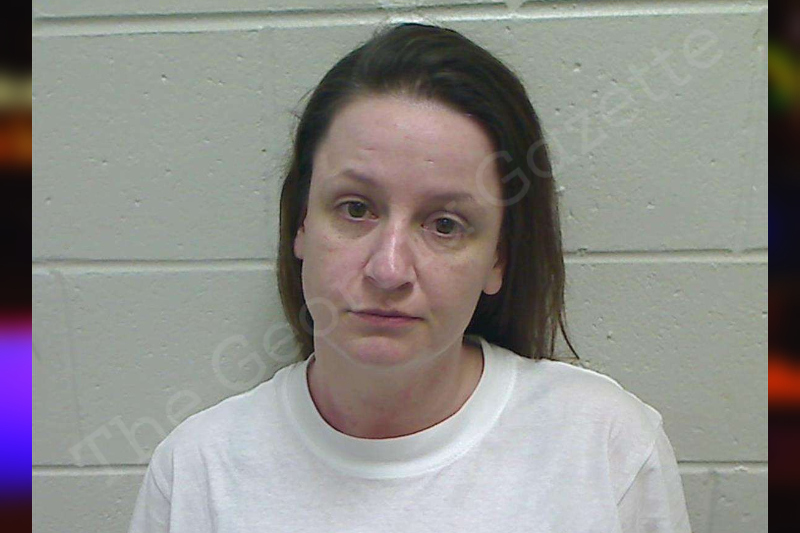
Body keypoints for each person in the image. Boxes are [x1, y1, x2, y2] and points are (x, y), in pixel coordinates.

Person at [129, 22, 691, 532]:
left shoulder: (605, 447)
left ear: (498, 259)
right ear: (300, 223)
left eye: (445, 224)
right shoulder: (198, 472)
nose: (389, 269)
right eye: (355, 209)